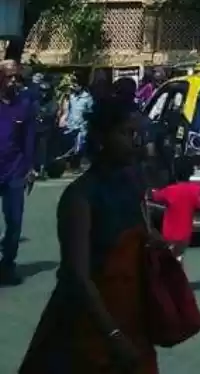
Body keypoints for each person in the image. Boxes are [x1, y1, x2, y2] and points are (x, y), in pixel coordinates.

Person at [19, 97, 162, 374]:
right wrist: (113, 335)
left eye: (136, 134)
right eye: (124, 133)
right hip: (88, 327)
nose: (133, 141)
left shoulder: (134, 186)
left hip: (132, 320)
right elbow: (77, 276)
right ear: (101, 137)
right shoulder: (80, 196)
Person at [0, 59, 37, 286]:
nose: (14, 81)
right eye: (9, 76)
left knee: (14, 221)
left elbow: (29, 140)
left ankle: (7, 264)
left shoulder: (24, 105)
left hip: (14, 171)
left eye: (16, 77)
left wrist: (31, 167)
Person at [150, 157, 200, 263]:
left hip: (169, 234)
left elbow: (154, 196)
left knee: (170, 260)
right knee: (178, 257)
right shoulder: (195, 190)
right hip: (185, 235)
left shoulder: (169, 191)